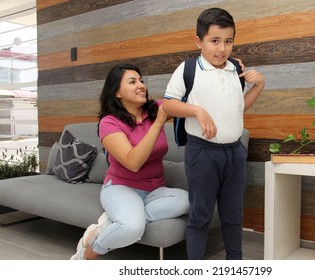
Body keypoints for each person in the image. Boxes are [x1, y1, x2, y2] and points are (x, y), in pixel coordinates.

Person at [162, 8, 265, 260]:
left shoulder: (235, 71)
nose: (222, 49)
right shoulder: (187, 69)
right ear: (199, 41)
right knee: (200, 217)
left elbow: (239, 106)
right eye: (214, 41)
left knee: (233, 217)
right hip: (202, 153)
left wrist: (259, 85)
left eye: (228, 41)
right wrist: (197, 110)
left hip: (235, 152)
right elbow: (167, 105)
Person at [70, 64, 190, 260]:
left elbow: (189, 99)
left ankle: (110, 224)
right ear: (117, 92)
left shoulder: (156, 108)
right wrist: (159, 122)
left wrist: (227, 71)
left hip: (155, 190)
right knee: (133, 228)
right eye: (133, 82)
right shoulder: (109, 123)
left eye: (141, 80)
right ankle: (89, 252)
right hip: (121, 187)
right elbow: (132, 163)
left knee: (188, 200)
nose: (141, 85)